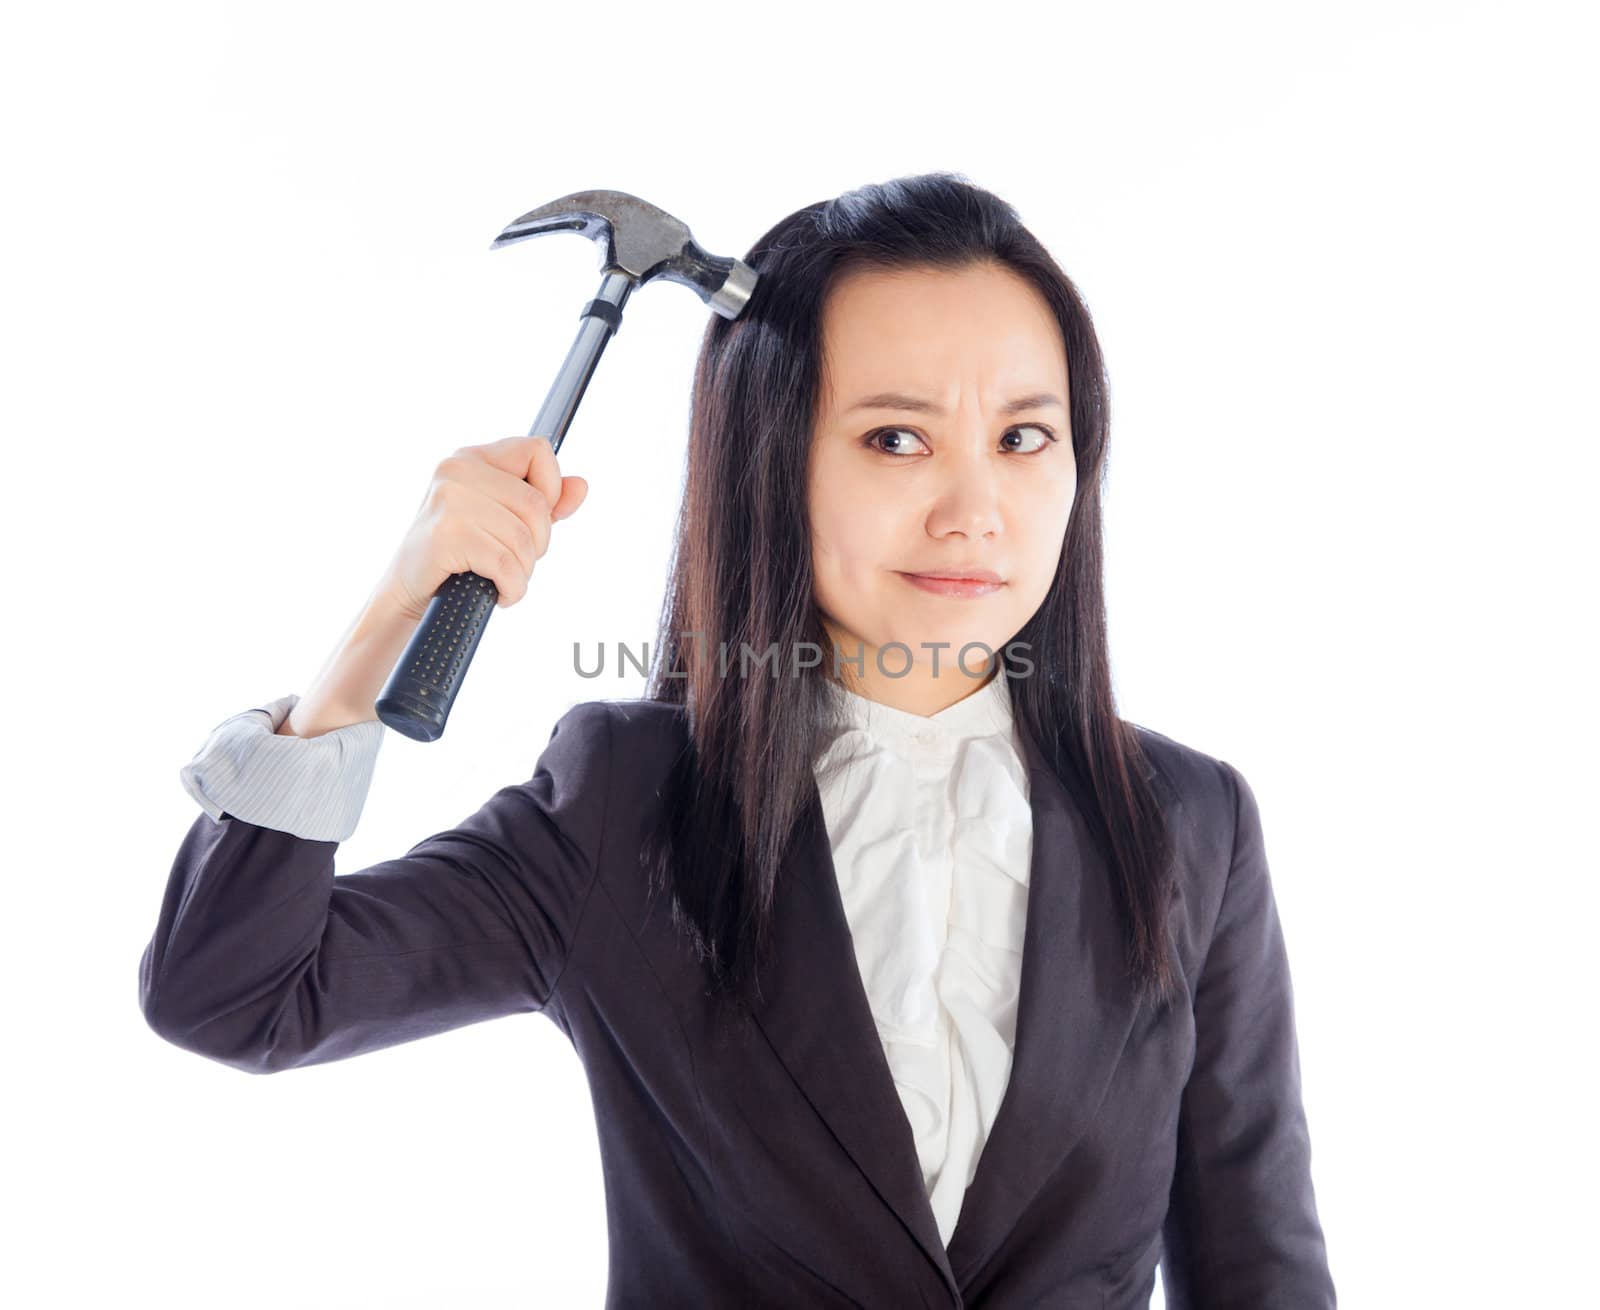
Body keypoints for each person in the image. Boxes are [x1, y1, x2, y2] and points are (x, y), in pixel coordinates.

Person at [139, 172, 1337, 1308]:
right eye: (895, 439)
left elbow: (1258, 1260)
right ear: (771, 458)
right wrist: (383, 622)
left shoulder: (1189, 821)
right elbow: (237, 993)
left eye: (1024, 438)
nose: (976, 510)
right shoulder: (624, 802)